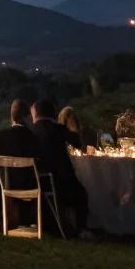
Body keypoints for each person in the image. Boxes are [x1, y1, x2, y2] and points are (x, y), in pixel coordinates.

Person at [30, 99, 90, 235]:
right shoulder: (58, 128)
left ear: (36, 113)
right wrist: (74, 129)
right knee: (82, 194)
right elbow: (78, 143)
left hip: (36, 179)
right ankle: (82, 228)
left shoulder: (30, 131)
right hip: (61, 180)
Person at [0, 99, 38, 228]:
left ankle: (2, 218)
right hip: (28, 184)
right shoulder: (33, 138)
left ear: (11, 116)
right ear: (27, 117)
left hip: (3, 184)